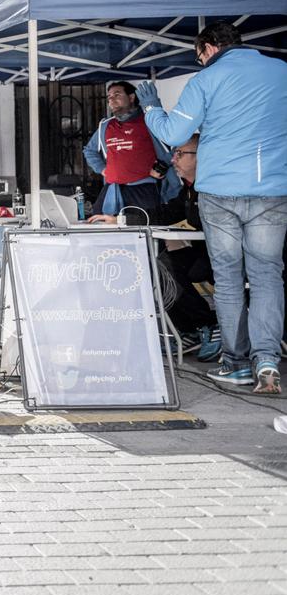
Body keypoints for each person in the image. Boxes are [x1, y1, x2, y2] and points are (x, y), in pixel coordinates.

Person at [138, 21, 287, 395]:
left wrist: (152, 107)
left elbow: (172, 134)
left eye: (198, 55)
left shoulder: (206, 79)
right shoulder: (282, 71)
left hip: (220, 190)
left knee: (229, 278)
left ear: (207, 48)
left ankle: (236, 364)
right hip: (272, 187)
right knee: (268, 276)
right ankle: (267, 358)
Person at [90, 135, 220, 360]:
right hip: (204, 252)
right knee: (160, 266)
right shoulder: (188, 189)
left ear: (202, 157)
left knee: (179, 268)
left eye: (180, 154)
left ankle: (210, 325)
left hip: (223, 256)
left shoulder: (214, 187)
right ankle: (190, 329)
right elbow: (166, 213)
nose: (173, 160)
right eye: (174, 153)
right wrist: (120, 219)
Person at [82, 81, 176, 220]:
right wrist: (102, 169)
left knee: (143, 230)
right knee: (100, 229)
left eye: (117, 95)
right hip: (112, 190)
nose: (111, 100)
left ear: (131, 97)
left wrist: (162, 165)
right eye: (109, 97)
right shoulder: (106, 125)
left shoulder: (149, 121)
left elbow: (176, 145)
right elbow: (89, 150)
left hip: (143, 189)